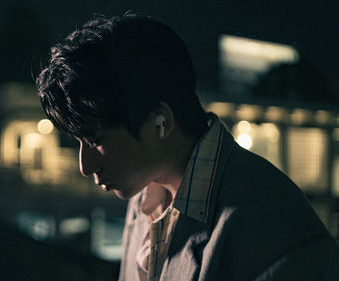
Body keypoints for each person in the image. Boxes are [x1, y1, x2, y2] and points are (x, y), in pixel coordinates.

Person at [36, 13, 339, 281]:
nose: (84, 166)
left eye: (96, 140)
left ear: (160, 123)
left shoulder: (275, 226)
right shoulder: (145, 191)